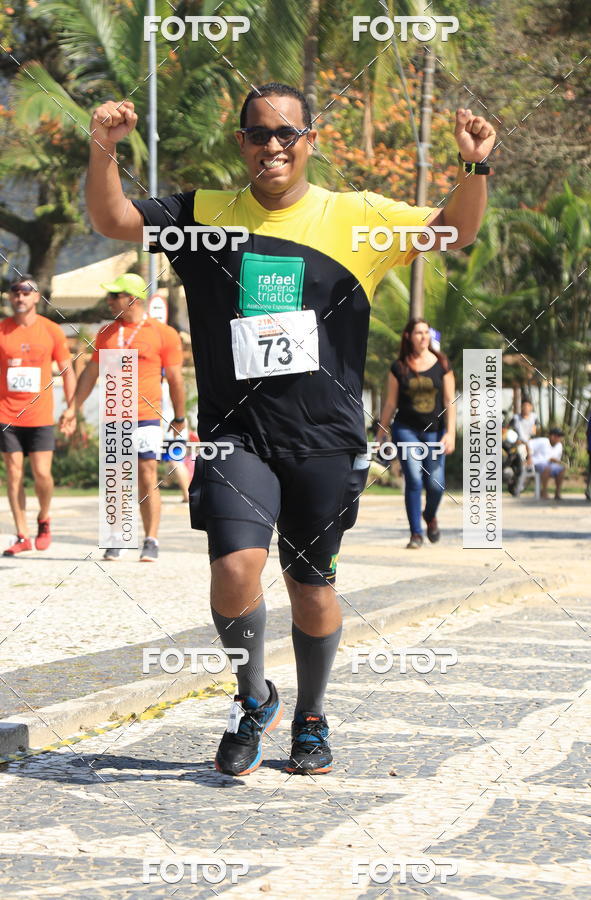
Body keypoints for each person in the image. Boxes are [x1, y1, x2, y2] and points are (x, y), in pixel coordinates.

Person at [84, 85, 494, 775]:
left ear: (310, 139)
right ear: (240, 143)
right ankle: (253, 697)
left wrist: (475, 168)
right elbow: (113, 217)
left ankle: (311, 715)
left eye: (286, 133)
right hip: (235, 435)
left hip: (325, 441)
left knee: (311, 586)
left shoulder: (356, 216)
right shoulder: (202, 215)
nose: (272, 145)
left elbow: (456, 232)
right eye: (256, 134)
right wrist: (104, 148)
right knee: (235, 569)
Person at [59, 273, 185, 561]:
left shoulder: (163, 333)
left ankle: (151, 539)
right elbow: (91, 374)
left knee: (146, 473)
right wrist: (72, 408)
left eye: (115, 296)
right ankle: (117, 536)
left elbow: (176, 379)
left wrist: (179, 417)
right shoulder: (106, 333)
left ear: (133, 299)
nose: (109, 301)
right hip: (114, 416)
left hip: (147, 415)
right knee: (115, 478)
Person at [0, 275, 75, 556]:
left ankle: (44, 519)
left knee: (42, 474)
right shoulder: (2, 330)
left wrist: (72, 408)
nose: (20, 297)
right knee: (14, 474)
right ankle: (22, 534)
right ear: (10, 297)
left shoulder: (51, 330)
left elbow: (68, 371)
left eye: (26, 292)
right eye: (14, 292)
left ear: (36, 298)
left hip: (40, 414)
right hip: (7, 413)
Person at [375, 319, 455, 548]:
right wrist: (382, 431)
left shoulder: (442, 363)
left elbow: (450, 400)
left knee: (436, 483)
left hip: (435, 432)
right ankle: (416, 534)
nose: (423, 337)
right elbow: (391, 403)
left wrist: (450, 433)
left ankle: (429, 516)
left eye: (426, 333)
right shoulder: (399, 367)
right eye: (418, 333)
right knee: (413, 479)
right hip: (406, 429)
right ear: (409, 336)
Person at [509, 398, 538, 496]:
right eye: (524, 406)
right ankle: (518, 485)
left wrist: (529, 443)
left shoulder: (534, 418)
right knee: (522, 464)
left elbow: (535, 432)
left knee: (533, 466)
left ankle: (538, 489)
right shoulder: (516, 418)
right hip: (519, 445)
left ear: (531, 407)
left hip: (531, 445)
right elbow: (509, 431)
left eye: (527, 406)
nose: (525, 408)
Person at [530, 428, 566, 500]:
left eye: (560, 436)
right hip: (538, 463)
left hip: (550, 464)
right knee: (547, 468)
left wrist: (557, 461)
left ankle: (557, 493)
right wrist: (529, 456)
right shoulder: (543, 441)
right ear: (552, 436)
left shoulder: (559, 445)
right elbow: (528, 443)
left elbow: (556, 458)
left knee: (562, 469)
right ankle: (544, 492)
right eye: (558, 436)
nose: (559, 438)